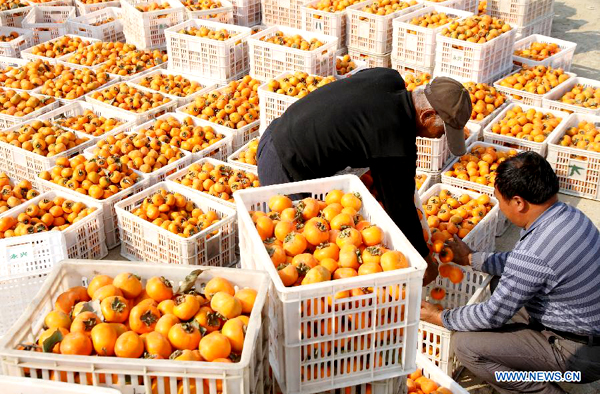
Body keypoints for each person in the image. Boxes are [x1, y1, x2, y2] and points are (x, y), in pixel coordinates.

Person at [256, 68, 472, 283]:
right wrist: (424, 261)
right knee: (297, 256)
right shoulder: (393, 139)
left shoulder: (387, 77)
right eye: (442, 131)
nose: (439, 138)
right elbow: (401, 209)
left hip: (275, 134)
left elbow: (357, 121)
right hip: (284, 166)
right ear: (426, 115)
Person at [420, 151, 600, 394]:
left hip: (578, 358)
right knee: (497, 286)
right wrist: (473, 259)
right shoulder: (570, 215)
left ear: (518, 202)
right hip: (585, 329)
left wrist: (441, 316)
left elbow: (492, 315)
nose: (500, 207)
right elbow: (524, 265)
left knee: (467, 347)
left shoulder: (534, 253)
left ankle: (542, 390)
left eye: (499, 200)